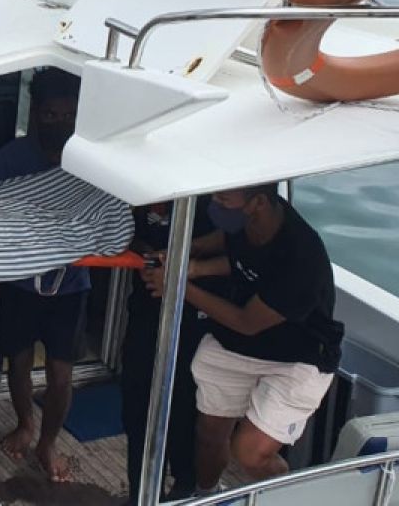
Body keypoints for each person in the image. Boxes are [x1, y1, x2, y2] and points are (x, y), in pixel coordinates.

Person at [144, 185, 343, 493]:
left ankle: (285, 498)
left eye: (223, 199)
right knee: (209, 435)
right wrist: (190, 256)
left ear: (258, 203)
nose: (215, 204)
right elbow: (237, 250)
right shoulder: (249, 223)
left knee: (251, 452)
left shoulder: (303, 259)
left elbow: (247, 322)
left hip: (299, 355)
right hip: (237, 345)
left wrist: (179, 284)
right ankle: (207, 494)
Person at [0, 67, 84, 483]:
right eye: (50, 115)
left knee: (61, 373)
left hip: (71, 283)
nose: (58, 123)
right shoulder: (9, 159)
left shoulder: (89, 162)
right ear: (36, 111)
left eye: (67, 116)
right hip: (22, 282)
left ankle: (48, 441)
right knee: (19, 360)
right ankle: (25, 423)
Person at [121, 200, 217, 503]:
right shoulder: (134, 197)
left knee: (185, 408)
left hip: (195, 321)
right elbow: (124, 235)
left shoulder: (208, 208)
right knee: (136, 408)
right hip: (145, 316)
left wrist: (178, 271)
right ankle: (141, 494)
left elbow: (228, 254)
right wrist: (145, 254)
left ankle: (186, 485)